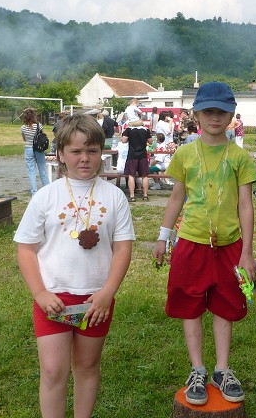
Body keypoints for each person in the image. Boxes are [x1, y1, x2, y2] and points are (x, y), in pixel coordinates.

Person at [14, 114, 135, 418]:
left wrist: (107, 293)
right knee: (53, 370)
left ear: (101, 152)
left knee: (86, 366)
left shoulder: (115, 196)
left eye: (92, 151)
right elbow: (26, 249)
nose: (84, 158)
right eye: (76, 151)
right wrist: (40, 293)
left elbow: (123, 249)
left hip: (96, 300)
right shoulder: (45, 196)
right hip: (53, 299)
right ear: (60, 154)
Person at [152, 82, 256, 407]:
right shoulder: (185, 154)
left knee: (225, 304)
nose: (215, 117)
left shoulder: (240, 157)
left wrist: (247, 252)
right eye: (208, 111)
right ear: (196, 115)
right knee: (191, 304)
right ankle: (197, 369)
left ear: (231, 115)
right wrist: (163, 236)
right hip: (191, 242)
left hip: (229, 246)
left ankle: (221, 370)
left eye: (221, 112)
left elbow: (245, 206)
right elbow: (176, 197)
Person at [121, 119, 153, 202]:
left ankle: (132, 196)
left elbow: (123, 141)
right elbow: (151, 141)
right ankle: (145, 195)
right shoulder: (145, 130)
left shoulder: (129, 130)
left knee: (131, 175)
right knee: (144, 176)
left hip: (132, 155)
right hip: (143, 155)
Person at [21, 108, 50, 195]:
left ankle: (34, 191)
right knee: (42, 170)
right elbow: (41, 137)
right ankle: (47, 189)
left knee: (31, 171)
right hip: (38, 148)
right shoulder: (39, 126)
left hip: (28, 148)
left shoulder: (23, 127)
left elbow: (24, 139)